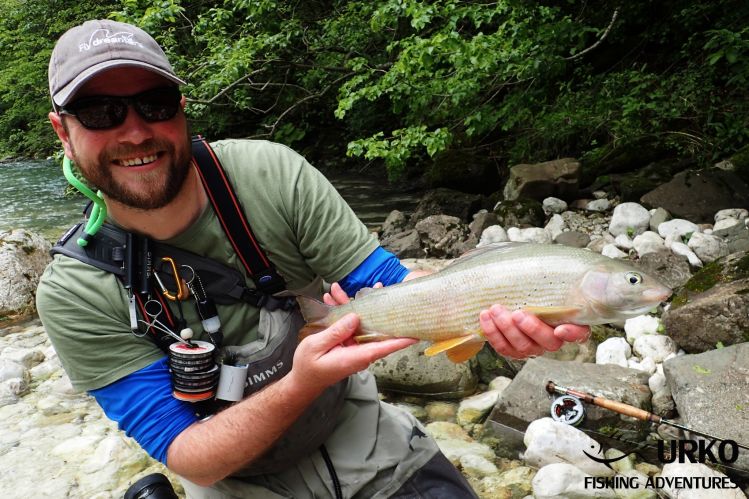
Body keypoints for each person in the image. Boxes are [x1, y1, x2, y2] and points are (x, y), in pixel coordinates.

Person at [38, 19, 590, 498]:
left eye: (153, 104)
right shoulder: (75, 291)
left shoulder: (269, 175)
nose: (134, 131)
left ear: (180, 110)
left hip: (371, 447)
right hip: (237, 486)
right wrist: (298, 383)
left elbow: (390, 285)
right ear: (62, 130)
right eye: (100, 111)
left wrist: (488, 304)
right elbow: (186, 453)